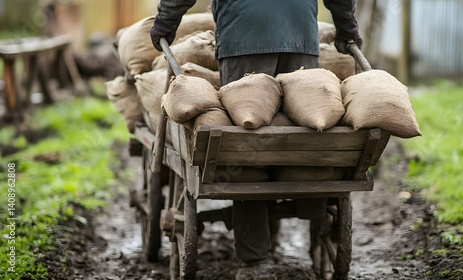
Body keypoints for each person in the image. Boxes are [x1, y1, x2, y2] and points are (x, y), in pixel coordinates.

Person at [150, 0, 362, 278]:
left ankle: (255, 260)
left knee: (245, 139)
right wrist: (347, 27)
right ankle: (312, 204)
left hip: (244, 37)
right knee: (304, 129)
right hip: (300, 34)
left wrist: (165, 23)